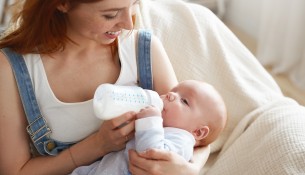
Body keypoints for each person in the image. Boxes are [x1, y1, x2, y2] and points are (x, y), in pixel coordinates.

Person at [0, 0, 209, 174]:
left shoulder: (142, 49)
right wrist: (98, 145)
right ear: (62, 3)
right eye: (111, 14)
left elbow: (194, 131)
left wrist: (189, 169)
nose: (129, 24)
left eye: (135, 3)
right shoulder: (11, 69)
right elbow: (16, 172)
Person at [71, 80, 227, 175]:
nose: (171, 96)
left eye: (184, 101)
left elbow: (153, 154)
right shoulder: (161, 125)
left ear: (198, 132)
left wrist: (150, 120)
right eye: (173, 91)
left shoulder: (183, 140)